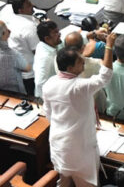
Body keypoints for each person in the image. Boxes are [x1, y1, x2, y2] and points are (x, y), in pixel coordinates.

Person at [43, 32, 114, 187]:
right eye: (80, 62)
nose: (83, 63)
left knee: (64, 181)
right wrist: (109, 45)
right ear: (70, 68)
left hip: (59, 144)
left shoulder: (50, 83)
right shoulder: (79, 87)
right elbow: (105, 76)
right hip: (80, 149)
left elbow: (48, 114)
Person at [33, 20, 61, 101]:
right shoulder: (45, 57)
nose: (59, 34)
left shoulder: (45, 44)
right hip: (48, 98)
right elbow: (39, 83)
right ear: (47, 38)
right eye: (56, 32)